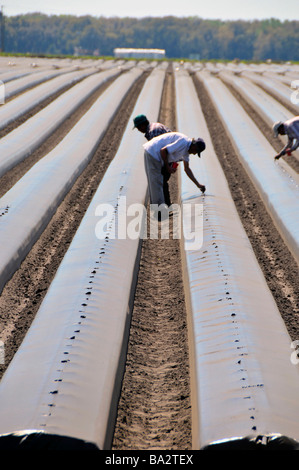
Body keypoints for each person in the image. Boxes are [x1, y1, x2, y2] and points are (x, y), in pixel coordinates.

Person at [143, 131, 206, 208]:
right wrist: (167, 167)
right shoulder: (183, 142)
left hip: (158, 156)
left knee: (157, 182)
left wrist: (198, 185)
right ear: (194, 146)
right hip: (153, 152)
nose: (194, 153)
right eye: (196, 151)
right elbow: (163, 150)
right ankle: (159, 212)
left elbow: (187, 169)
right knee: (156, 182)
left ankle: (159, 210)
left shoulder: (186, 151)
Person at [133, 114, 174, 206]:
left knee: (160, 182)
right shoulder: (153, 128)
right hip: (169, 157)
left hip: (167, 157)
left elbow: (159, 149)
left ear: (142, 125)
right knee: (162, 182)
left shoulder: (154, 131)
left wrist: (165, 165)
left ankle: (164, 206)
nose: (139, 130)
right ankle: (167, 205)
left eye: (138, 128)